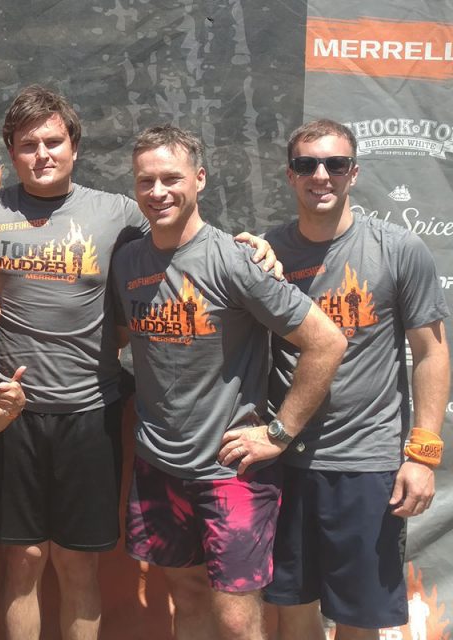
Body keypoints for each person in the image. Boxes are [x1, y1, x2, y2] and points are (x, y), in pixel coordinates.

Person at [0, 86, 281, 640]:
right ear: (10, 151)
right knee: (22, 562)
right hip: (9, 413)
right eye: (28, 145)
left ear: (74, 147)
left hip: (91, 412)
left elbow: (184, 239)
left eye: (53, 141)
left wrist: (258, 247)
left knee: (77, 563)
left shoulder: (118, 212)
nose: (42, 154)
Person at [112, 125, 347, 640]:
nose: (158, 192)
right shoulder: (128, 260)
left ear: (199, 179)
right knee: (187, 600)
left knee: (240, 622)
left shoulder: (236, 260)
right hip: (159, 465)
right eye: (145, 181)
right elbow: (121, 338)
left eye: (171, 178)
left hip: (231, 471)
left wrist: (279, 433)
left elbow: (326, 342)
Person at [261, 119, 450, 640]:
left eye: (334, 164)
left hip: (368, 466)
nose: (320, 175)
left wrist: (423, 454)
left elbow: (431, 353)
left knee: (359, 621)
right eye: (306, 165)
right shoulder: (265, 255)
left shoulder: (397, 249)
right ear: (290, 176)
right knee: (292, 610)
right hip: (285, 461)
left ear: (354, 173)